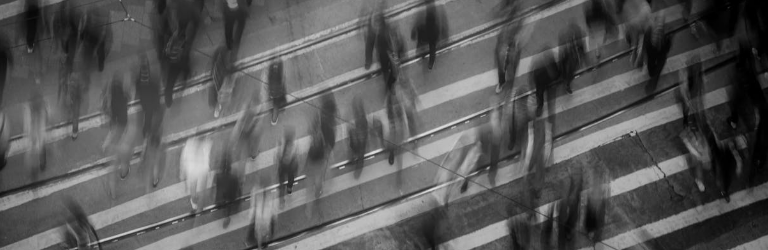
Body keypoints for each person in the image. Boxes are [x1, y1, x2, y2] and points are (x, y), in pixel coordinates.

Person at [411, 0, 448, 70]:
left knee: (425, 44)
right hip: (432, 33)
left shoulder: (426, 17)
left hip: (428, 32)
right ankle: (430, 62)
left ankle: (423, 56)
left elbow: (419, 23)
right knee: (432, 47)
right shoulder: (432, 17)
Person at [180, 136, 213, 212]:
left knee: (194, 188)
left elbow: (183, 159)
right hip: (201, 171)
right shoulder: (206, 143)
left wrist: (182, 173)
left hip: (194, 171)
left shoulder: (190, 144)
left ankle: (195, 203)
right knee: (201, 190)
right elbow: (208, 157)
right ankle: (199, 207)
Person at [247, 178, 279, 249]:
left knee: (262, 233)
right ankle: (263, 245)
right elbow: (274, 203)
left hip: (263, 216)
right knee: (262, 233)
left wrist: (251, 217)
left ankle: (261, 246)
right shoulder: (271, 189)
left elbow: (253, 205)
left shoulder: (256, 189)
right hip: (263, 216)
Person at [495, 17, 522, 94]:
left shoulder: (515, 34)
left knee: (512, 71)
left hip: (512, 52)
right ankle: (502, 82)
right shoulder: (505, 32)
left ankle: (509, 85)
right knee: (502, 69)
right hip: (505, 52)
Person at [558, 23, 586, 94]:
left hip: (572, 58)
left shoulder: (577, 39)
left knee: (570, 72)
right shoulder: (564, 36)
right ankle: (564, 79)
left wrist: (582, 58)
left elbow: (581, 49)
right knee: (564, 69)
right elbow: (561, 47)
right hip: (566, 56)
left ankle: (567, 84)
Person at [214, 151, 240, 228]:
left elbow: (215, 186)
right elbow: (237, 188)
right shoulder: (234, 177)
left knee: (224, 199)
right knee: (228, 202)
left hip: (220, 198)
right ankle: (227, 217)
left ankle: (225, 214)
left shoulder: (218, 176)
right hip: (231, 198)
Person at [25, 89, 46, 179]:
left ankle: (37, 168)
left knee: (35, 153)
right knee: (39, 151)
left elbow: (28, 126)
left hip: (36, 138)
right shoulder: (42, 107)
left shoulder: (30, 109)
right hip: (38, 137)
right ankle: (40, 165)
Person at [210, 46, 237, 117]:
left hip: (221, 67)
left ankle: (227, 48)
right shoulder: (216, 99)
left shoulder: (218, 86)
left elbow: (225, 76)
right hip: (221, 69)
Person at [276, 126, 297, 204]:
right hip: (290, 166)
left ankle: (281, 199)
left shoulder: (281, 142)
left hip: (282, 165)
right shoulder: (294, 144)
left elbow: (278, 153)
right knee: (291, 177)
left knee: (281, 180)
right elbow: (295, 155)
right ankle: (289, 189)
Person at [349, 97, 368, 178]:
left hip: (360, 134)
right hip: (360, 132)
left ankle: (357, 104)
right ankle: (357, 104)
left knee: (360, 118)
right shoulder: (358, 145)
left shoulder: (359, 146)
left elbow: (361, 160)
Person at [266, 59, 287, 125]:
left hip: (274, 89)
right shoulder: (280, 108)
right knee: (278, 74)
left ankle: (274, 63)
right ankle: (276, 63)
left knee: (274, 74)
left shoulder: (272, 108)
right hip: (277, 89)